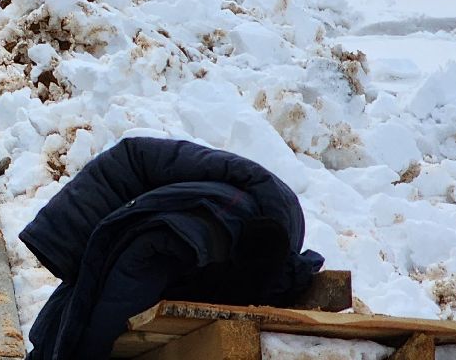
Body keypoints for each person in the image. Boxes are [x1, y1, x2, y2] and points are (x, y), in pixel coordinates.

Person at [18, 137, 324, 360]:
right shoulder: (135, 180)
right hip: (243, 228)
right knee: (87, 284)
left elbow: (120, 294)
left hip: (205, 234)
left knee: (96, 284)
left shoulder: (161, 234)